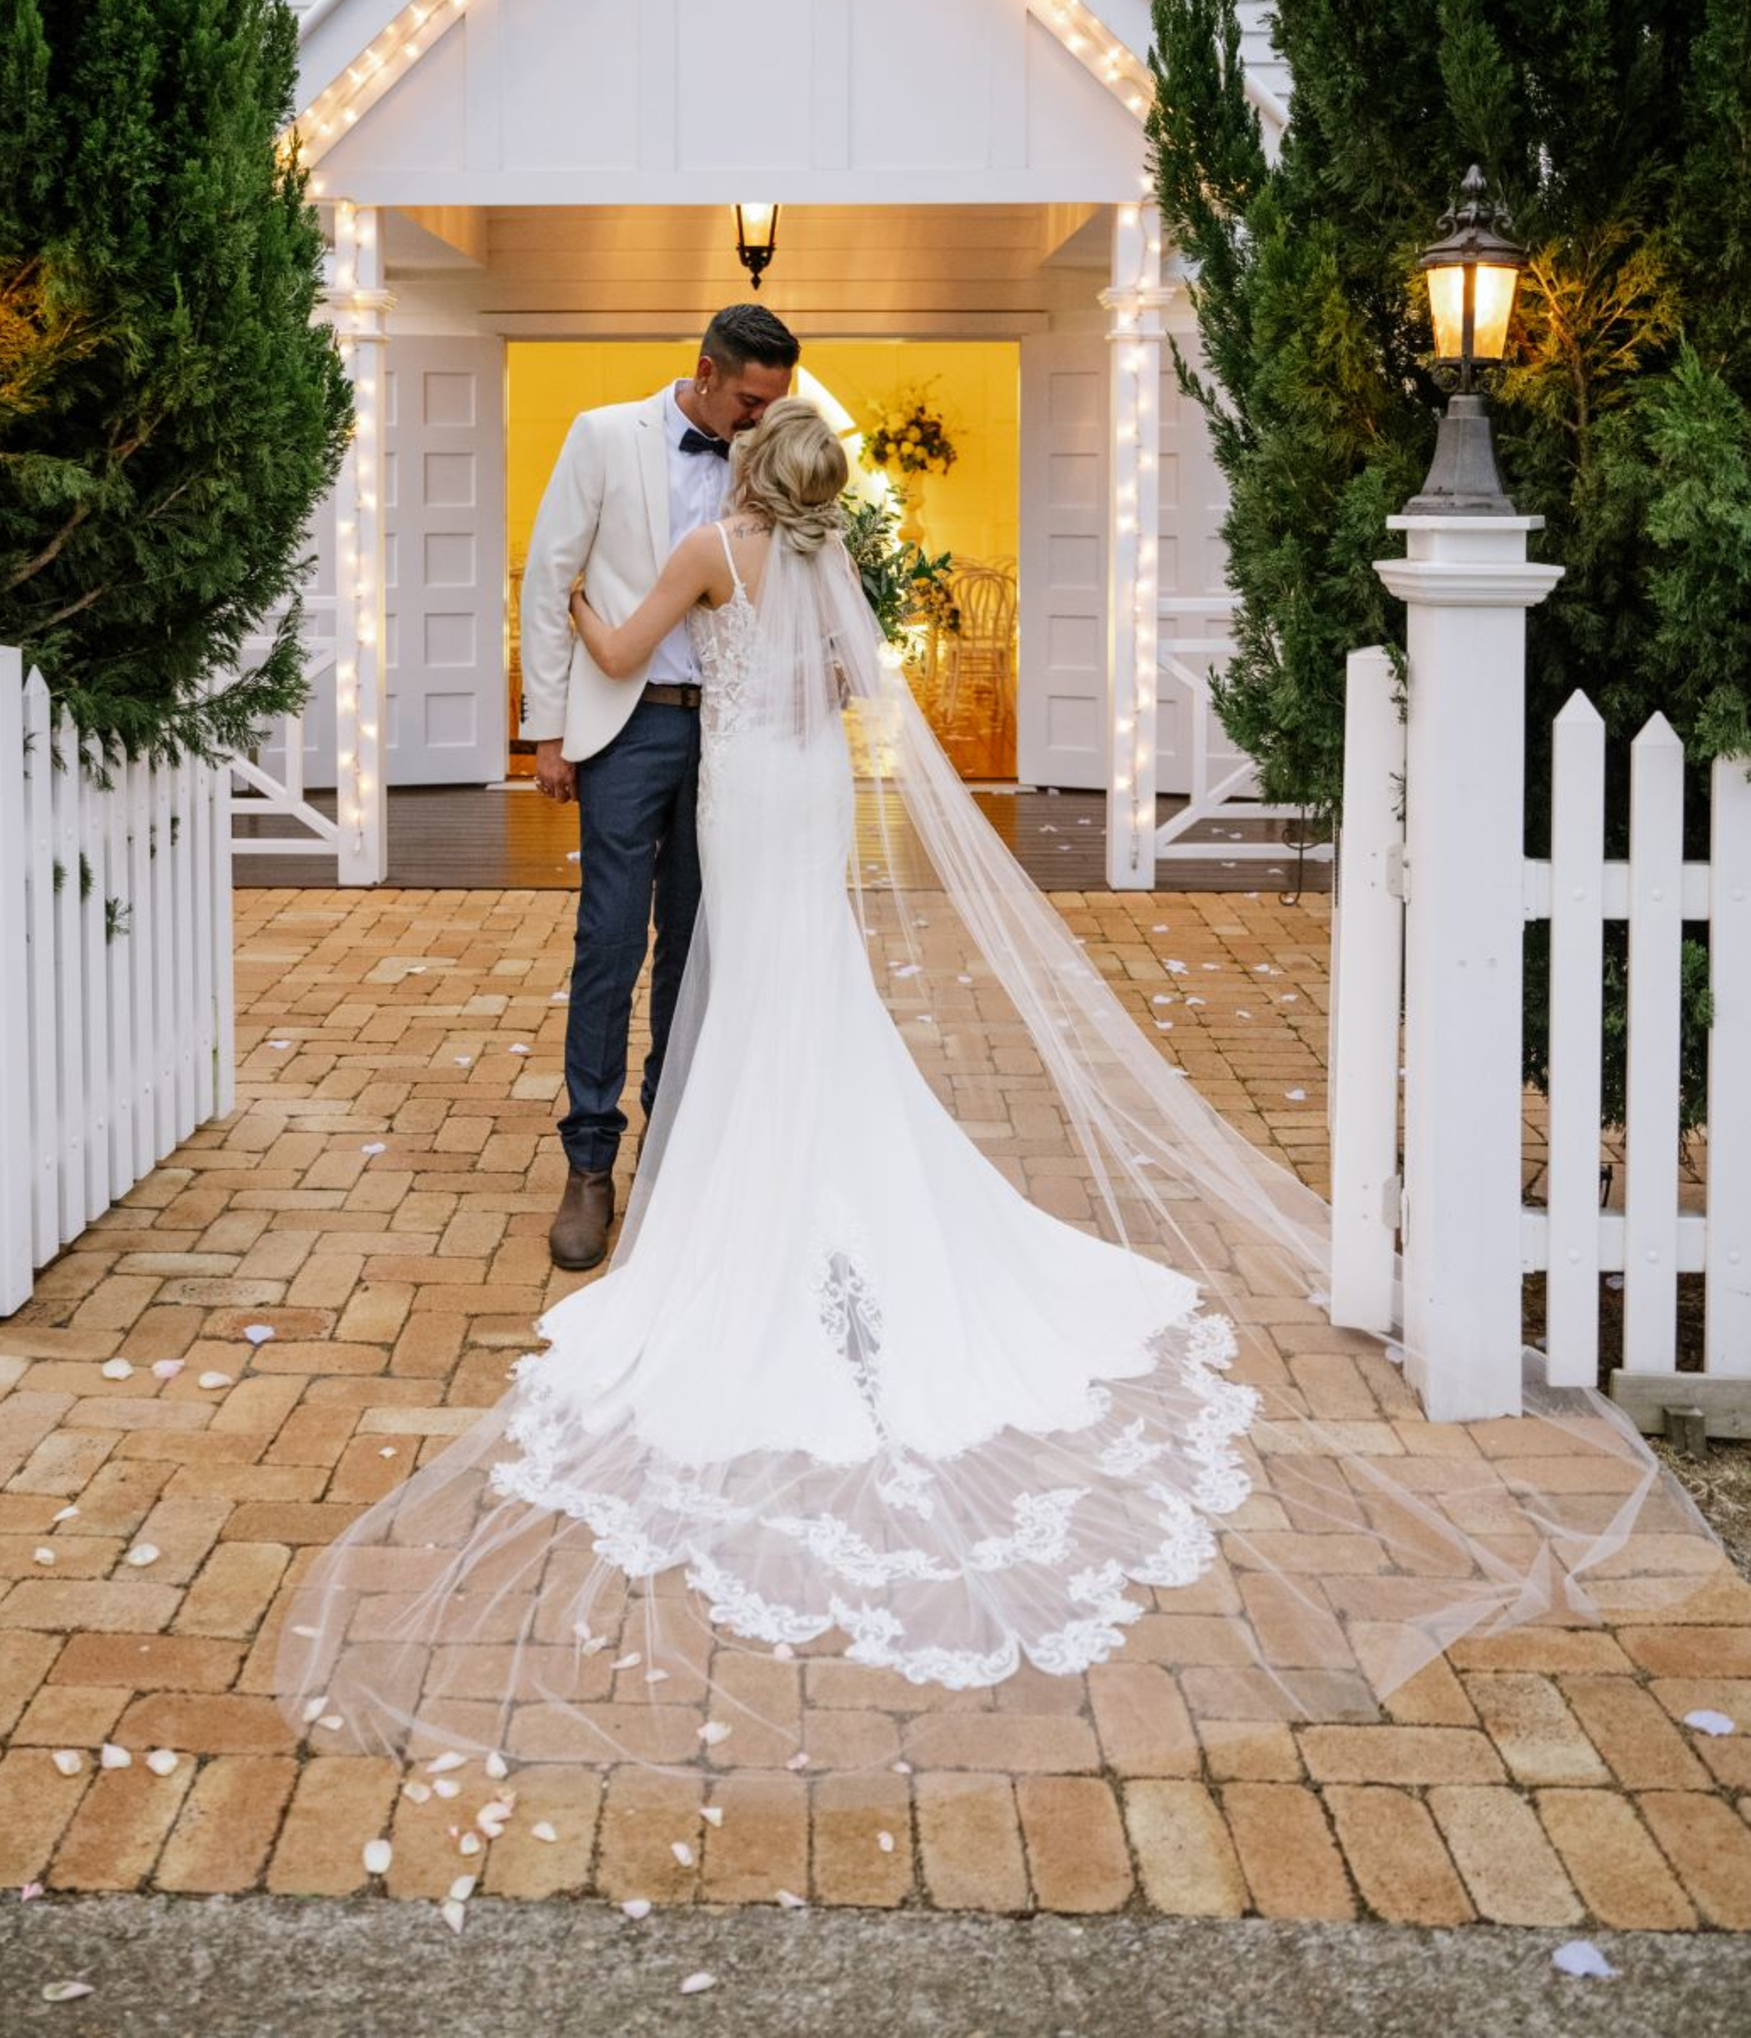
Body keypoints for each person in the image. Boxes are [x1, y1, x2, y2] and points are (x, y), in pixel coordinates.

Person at [278, 402, 1721, 1771]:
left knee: (744, 987)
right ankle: (817, 1182)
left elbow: (627, 637)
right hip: (806, 798)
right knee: (809, 985)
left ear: (743, 480)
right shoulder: (834, 567)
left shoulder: (709, 552)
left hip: (740, 794)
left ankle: (733, 1206)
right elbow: (849, 687)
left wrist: (585, 623)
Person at [518, 303, 797, 1271]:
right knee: (607, 939)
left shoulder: (769, 455)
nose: (758, 418)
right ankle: (587, 1166)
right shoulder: (603, 436)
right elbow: (550, 578)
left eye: (775, 403)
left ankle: (671, 1148)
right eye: (749, 399)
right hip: (624, 724)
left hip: (729, 732)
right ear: (707, 372)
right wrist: (545, 732)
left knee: (694, 945)